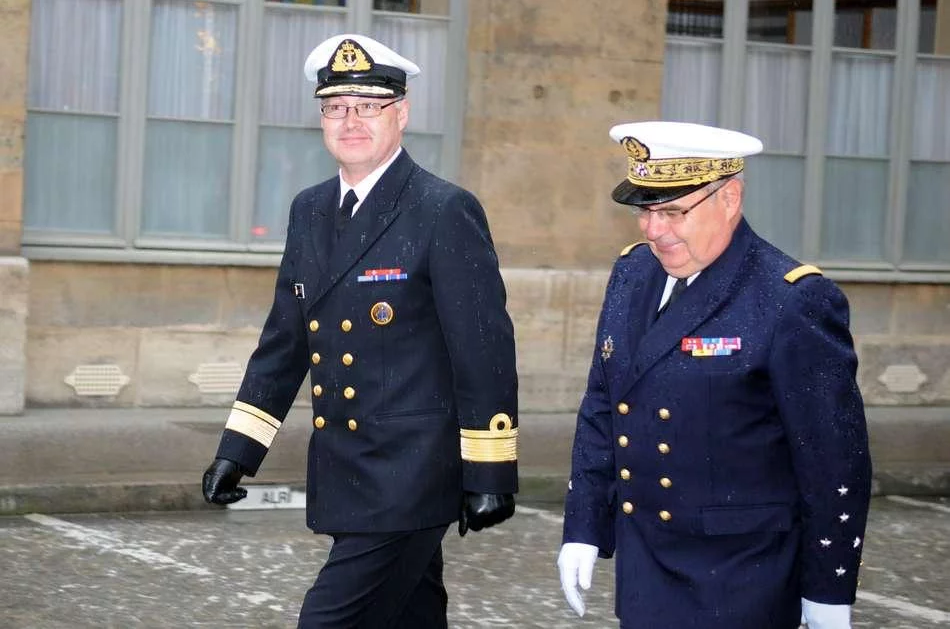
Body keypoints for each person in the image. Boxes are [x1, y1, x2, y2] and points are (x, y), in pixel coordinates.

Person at [201, 34, 519, 629]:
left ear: (401, 114)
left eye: (368, 105)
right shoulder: (310, 209)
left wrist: (491, 471)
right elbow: (284, 343)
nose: (350, 120)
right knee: (411, 616)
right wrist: (238, 451)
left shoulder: (442, 209)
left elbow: (483, 350)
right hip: (345, 467)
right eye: (336, 106)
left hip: (412, 475)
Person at [556, 121, 872, 629]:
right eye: (645, 210)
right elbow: (603, 405)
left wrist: (828, 591)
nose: (653, 230)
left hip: (743, 578)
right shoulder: (633, 273)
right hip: (647, 568)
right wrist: (584, 528)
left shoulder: (791, 298)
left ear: (730, 198)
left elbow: (833, 462)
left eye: (674, 211)